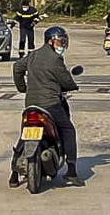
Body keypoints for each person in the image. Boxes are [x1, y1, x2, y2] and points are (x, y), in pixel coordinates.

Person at [12, 25, 82, 186]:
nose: (62, 46)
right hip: (50, 104)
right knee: (68, 130)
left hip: (31, 104)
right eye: (60, 42)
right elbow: (65, 79)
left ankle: (13, 175)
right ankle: (71, 171)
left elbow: (17, 67)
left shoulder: (33, 55)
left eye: (64, 42)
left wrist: (22, 88)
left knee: (24, 135)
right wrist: (73, 86)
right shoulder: (55, 59)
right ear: (50, 42)